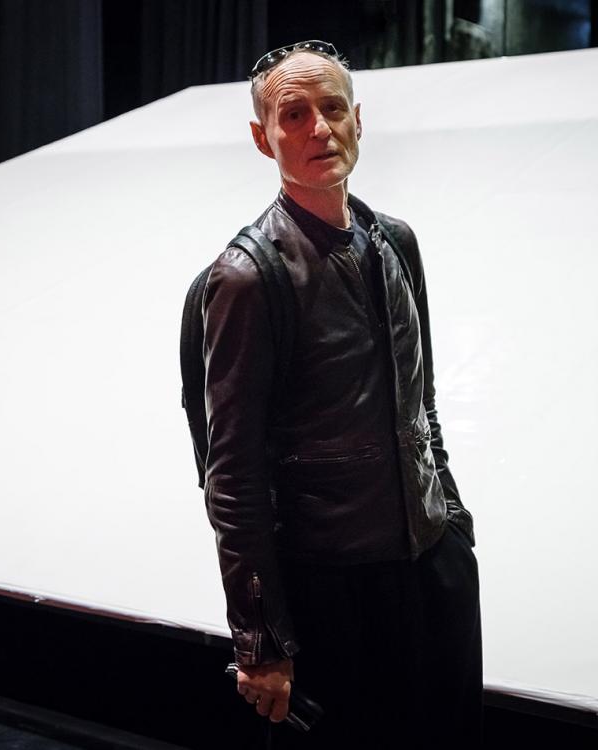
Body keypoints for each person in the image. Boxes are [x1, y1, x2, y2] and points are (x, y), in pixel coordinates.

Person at [201, 40, 481, 749]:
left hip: (429, 564)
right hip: (331, 586)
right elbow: (233, 474)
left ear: (359, 119)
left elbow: (421, 400)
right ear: (263, 138)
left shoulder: (396, 242)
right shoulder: (248, 276)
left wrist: (451, 520)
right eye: (293, 115)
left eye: (331, 109)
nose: (318, 129)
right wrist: (260, 638)